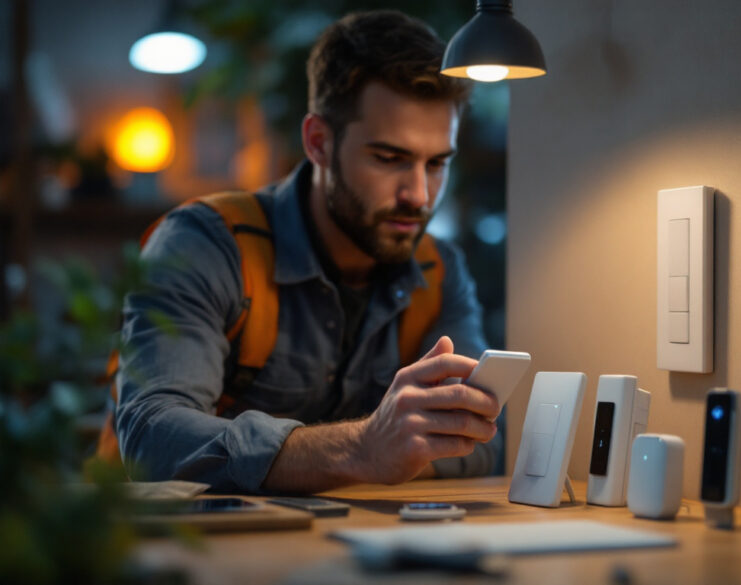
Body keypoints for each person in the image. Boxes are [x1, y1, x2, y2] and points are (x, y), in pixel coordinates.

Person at [113, 10, 503, 493]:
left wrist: (389, 449)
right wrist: (361, 449)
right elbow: (151, 437)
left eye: (437, 163)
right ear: (318, 142)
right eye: (389, 158)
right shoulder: (205, 244)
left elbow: (481, 443)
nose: (419, 195)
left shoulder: (440, 269)